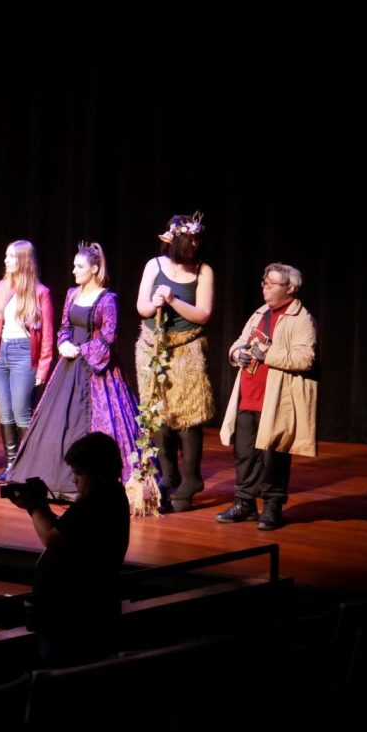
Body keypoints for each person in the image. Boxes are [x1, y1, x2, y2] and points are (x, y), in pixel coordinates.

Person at [5, 242, 140, 501]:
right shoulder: (71, 294)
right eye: (74, 266)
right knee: (56, 420)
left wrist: (82, 350)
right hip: (68, 364)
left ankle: (93, 482)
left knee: (97, 422)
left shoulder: (107, 298)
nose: (74, 270)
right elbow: (65, 324)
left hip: (96, 367)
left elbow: (109, 335)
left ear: (95, 269)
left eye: (80, 267)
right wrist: (64, 342)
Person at [6, 431, 131, 668]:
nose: (75, 480)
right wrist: (40, 506)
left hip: (74, 618)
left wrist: (34, 507)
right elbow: (69, 533)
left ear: (97, 472)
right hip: (80, 612)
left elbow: (54, 539)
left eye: (79, 473)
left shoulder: (96, 503)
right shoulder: (111, 496)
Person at [216, 263, 317, 531]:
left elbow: (306, 358)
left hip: (276, 398)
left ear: (290, 288)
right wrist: (237, 353)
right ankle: (245, 503)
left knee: (274, 455)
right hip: (248, 393)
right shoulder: (260, 313)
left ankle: (272, 506)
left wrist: (267, 356)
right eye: (264, 282)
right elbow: (239, 341)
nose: (265, 286)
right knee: (245, 453)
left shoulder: (301, 318)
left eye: (272, 283)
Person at [135, 213, 215, 513]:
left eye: (197, 239)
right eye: (188, 239)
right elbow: (141, 307)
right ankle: (169, 475)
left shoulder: (203, 271)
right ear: (175, 239)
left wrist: (173, 301)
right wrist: (154, 303)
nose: (193, 244)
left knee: (188, 413)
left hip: (186, 348)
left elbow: (204, 314)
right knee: (159, 412)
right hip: (153, 348)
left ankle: (192, 478)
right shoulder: (154, 266)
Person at [0, 240, 54, 483]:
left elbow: (47, 336)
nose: (5, 260)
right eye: (6, 255)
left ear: (23, 260)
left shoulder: (40, 292)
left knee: (22, 413)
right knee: (5, 413)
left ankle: (27, 468)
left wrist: (43, 367)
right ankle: (12, 466)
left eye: (10, 256)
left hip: (24, 355)